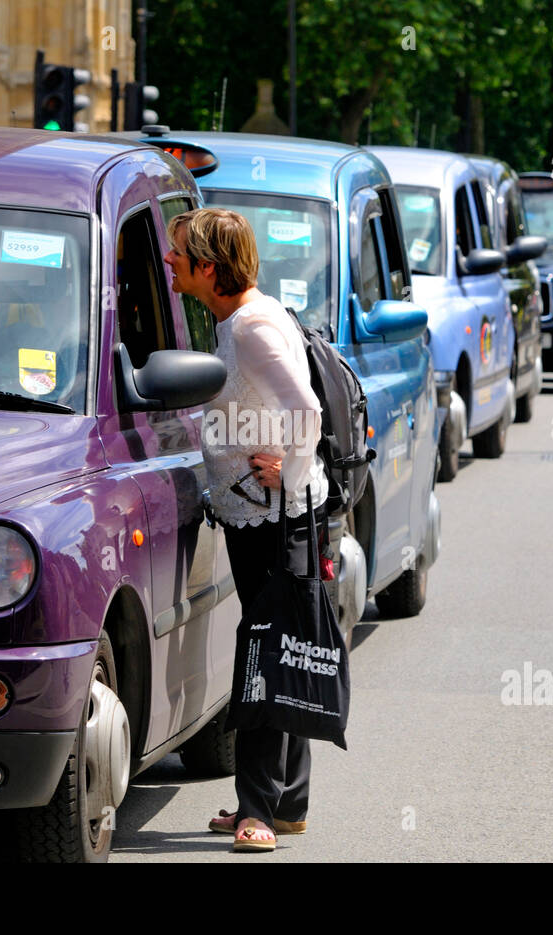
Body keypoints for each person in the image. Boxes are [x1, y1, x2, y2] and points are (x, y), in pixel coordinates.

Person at [163, 207, 329, 853]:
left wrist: (288, 469)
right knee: (281, 640)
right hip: (256, 511)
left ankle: (259, 810)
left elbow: (306, 407)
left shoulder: (254, 325)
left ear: (209, 267)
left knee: (263, 646)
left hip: (273, 514)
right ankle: (285, 801)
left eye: (179, 253)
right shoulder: (240, 317)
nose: (171, 261)